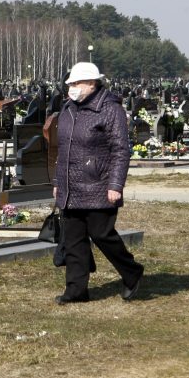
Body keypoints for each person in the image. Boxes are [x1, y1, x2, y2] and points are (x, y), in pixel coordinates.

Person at [52, 62, 144, 304]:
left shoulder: (109, 109)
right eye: (70, 84)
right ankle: (76, 291)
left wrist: (115, 185)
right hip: (71, 186)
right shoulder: (68, 108)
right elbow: (63, 149)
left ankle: (132, 272)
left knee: (102, 235)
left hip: (98, 184)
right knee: (73, 241)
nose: (71, 88)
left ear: (92, 84)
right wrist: (57, 181)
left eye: (76, 83)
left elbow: (120, 150)